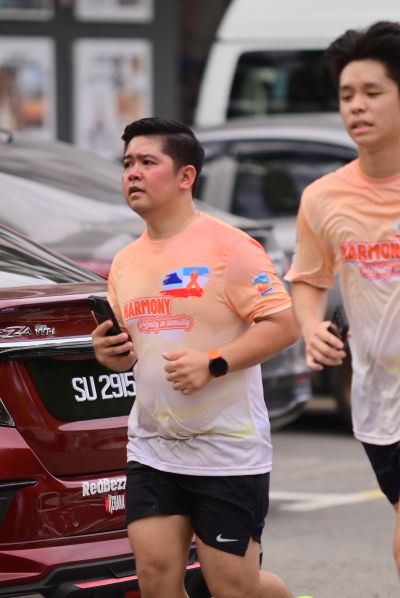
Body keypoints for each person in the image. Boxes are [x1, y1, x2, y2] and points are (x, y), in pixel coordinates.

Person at [92, 116, 299, 598]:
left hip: (226, 450)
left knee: (232, 588)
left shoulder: (231, 248)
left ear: (186, 175)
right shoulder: (124, 261)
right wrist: (110, 354)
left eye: (148, 162)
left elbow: (284, 325)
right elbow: (135, 350)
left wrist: (213, 363)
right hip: (153, 447)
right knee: (156, 582)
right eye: (127, 163)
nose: (133, 173)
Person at [285, 21, 400, 575]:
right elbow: (308, 279)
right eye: (347, 94)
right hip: (378, 398)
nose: (357, 105)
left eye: (373, 92)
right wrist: (311, 328)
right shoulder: (323, 197)